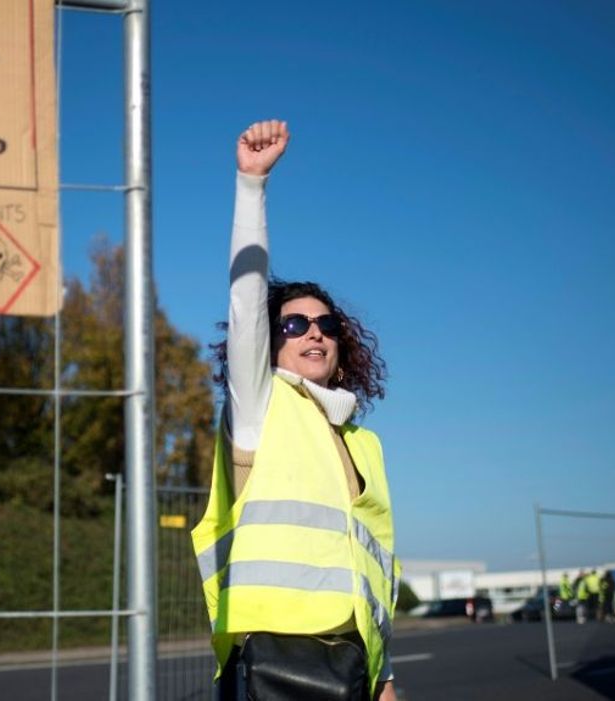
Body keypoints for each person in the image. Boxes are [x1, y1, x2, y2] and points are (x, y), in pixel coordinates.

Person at [191, 120, 398, 701]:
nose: (314, 332)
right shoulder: (262, 404)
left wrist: (384, 675)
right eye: (293, 323)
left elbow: (373, 574)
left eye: (327, 324)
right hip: (273, 663)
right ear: (269, 341)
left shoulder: (363, 442)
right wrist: (251, 186)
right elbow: (245, 298)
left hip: (354, 663)